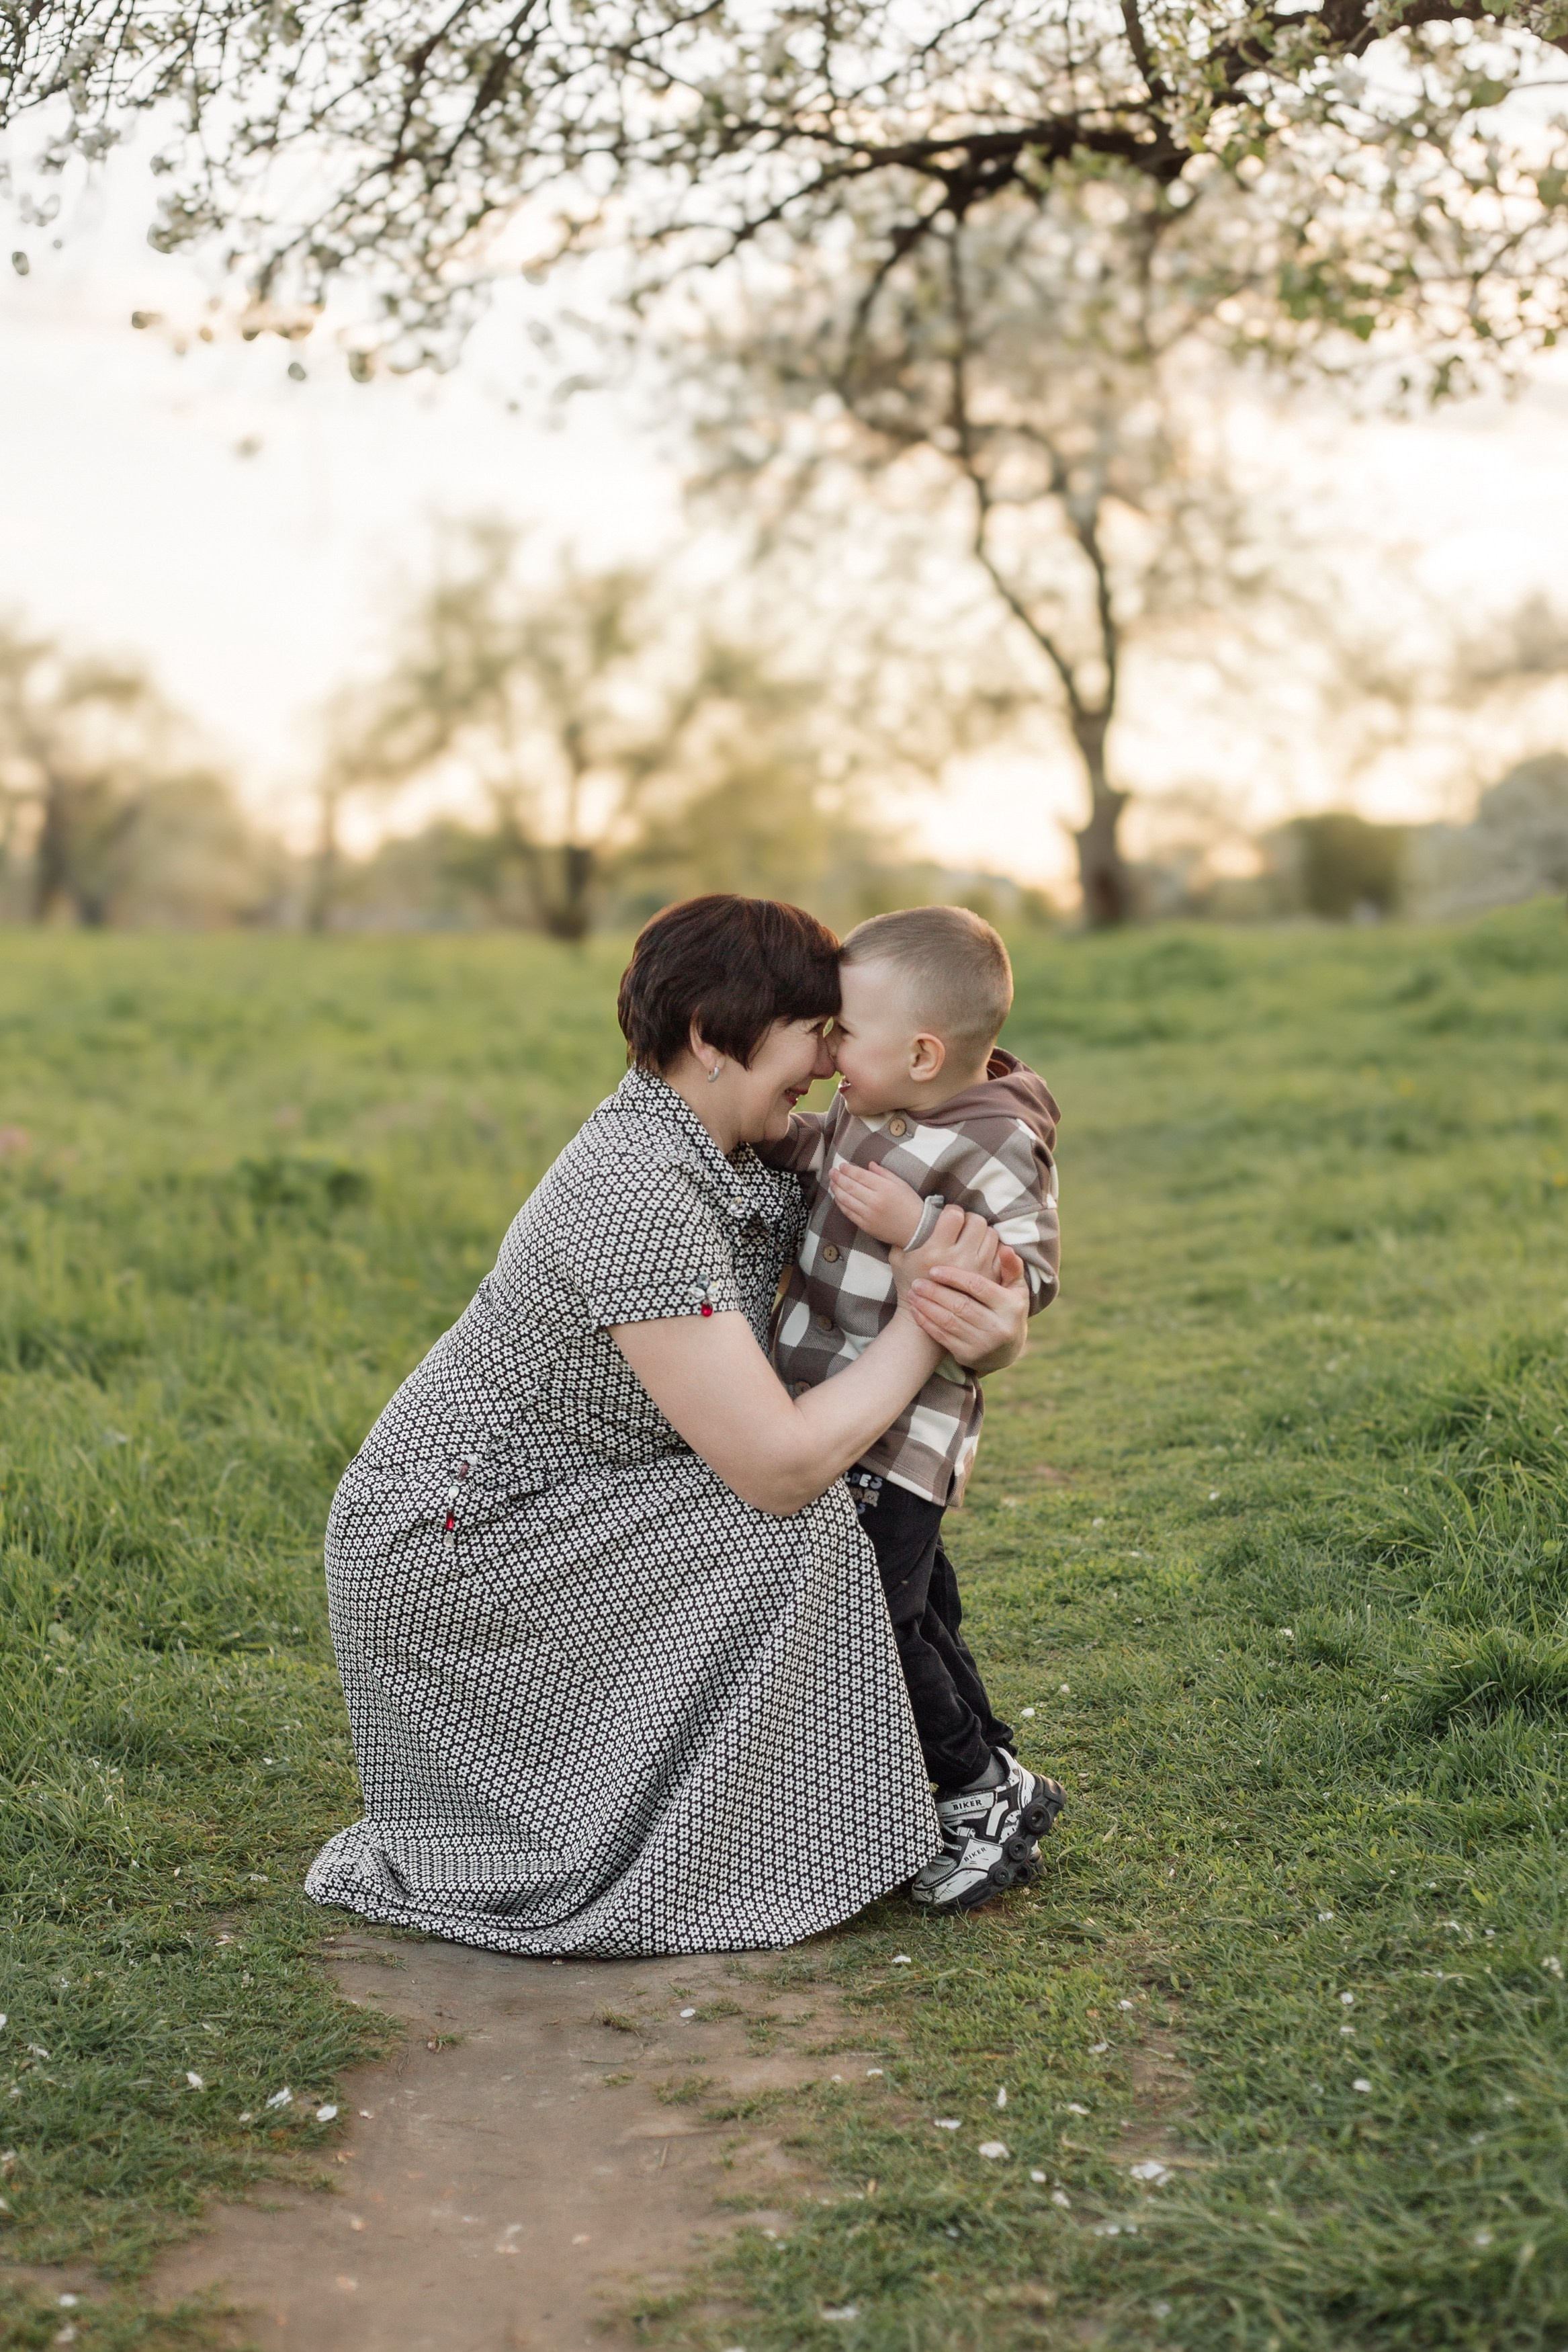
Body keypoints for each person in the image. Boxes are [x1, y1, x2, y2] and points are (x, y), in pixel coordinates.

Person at [305, 894, 1031, 1957]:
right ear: (709, 1037)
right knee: (807, 1509)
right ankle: (937, 1789)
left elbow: (934, 1263)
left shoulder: (736, 1144)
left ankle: (961, 1779)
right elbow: (780, 1466)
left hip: (571, 1499)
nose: (829, 1062)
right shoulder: (634, 1189)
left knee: (862, 1496)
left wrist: (992, 1328)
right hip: (458, 1541)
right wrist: (929, 1325)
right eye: (813, 1031)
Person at [763, 905, 1065, 1913]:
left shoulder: (995, 1141)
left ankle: (972, 1787)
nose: (828, 1049)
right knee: (921, 1602)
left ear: (922, 1052)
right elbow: (825, 1159)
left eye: (843, 1030)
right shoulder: (868, 1097)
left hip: (906, 1433)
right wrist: (767, 1134)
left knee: (878, 1617)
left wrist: (920, 1225)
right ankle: (998, 1771)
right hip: (828, 1398)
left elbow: (1028, 1272)